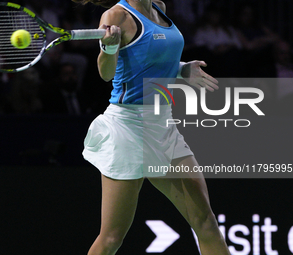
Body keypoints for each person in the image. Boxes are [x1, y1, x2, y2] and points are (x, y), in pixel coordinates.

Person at [73, 0, 231, 254]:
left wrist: (181, 70)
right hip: (128, 128)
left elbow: (152, 58)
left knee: (206, 222)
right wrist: (109, 48)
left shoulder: (159, 7)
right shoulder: (116, 15)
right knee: (112, 238)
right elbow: (106, 72)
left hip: (162, 124)